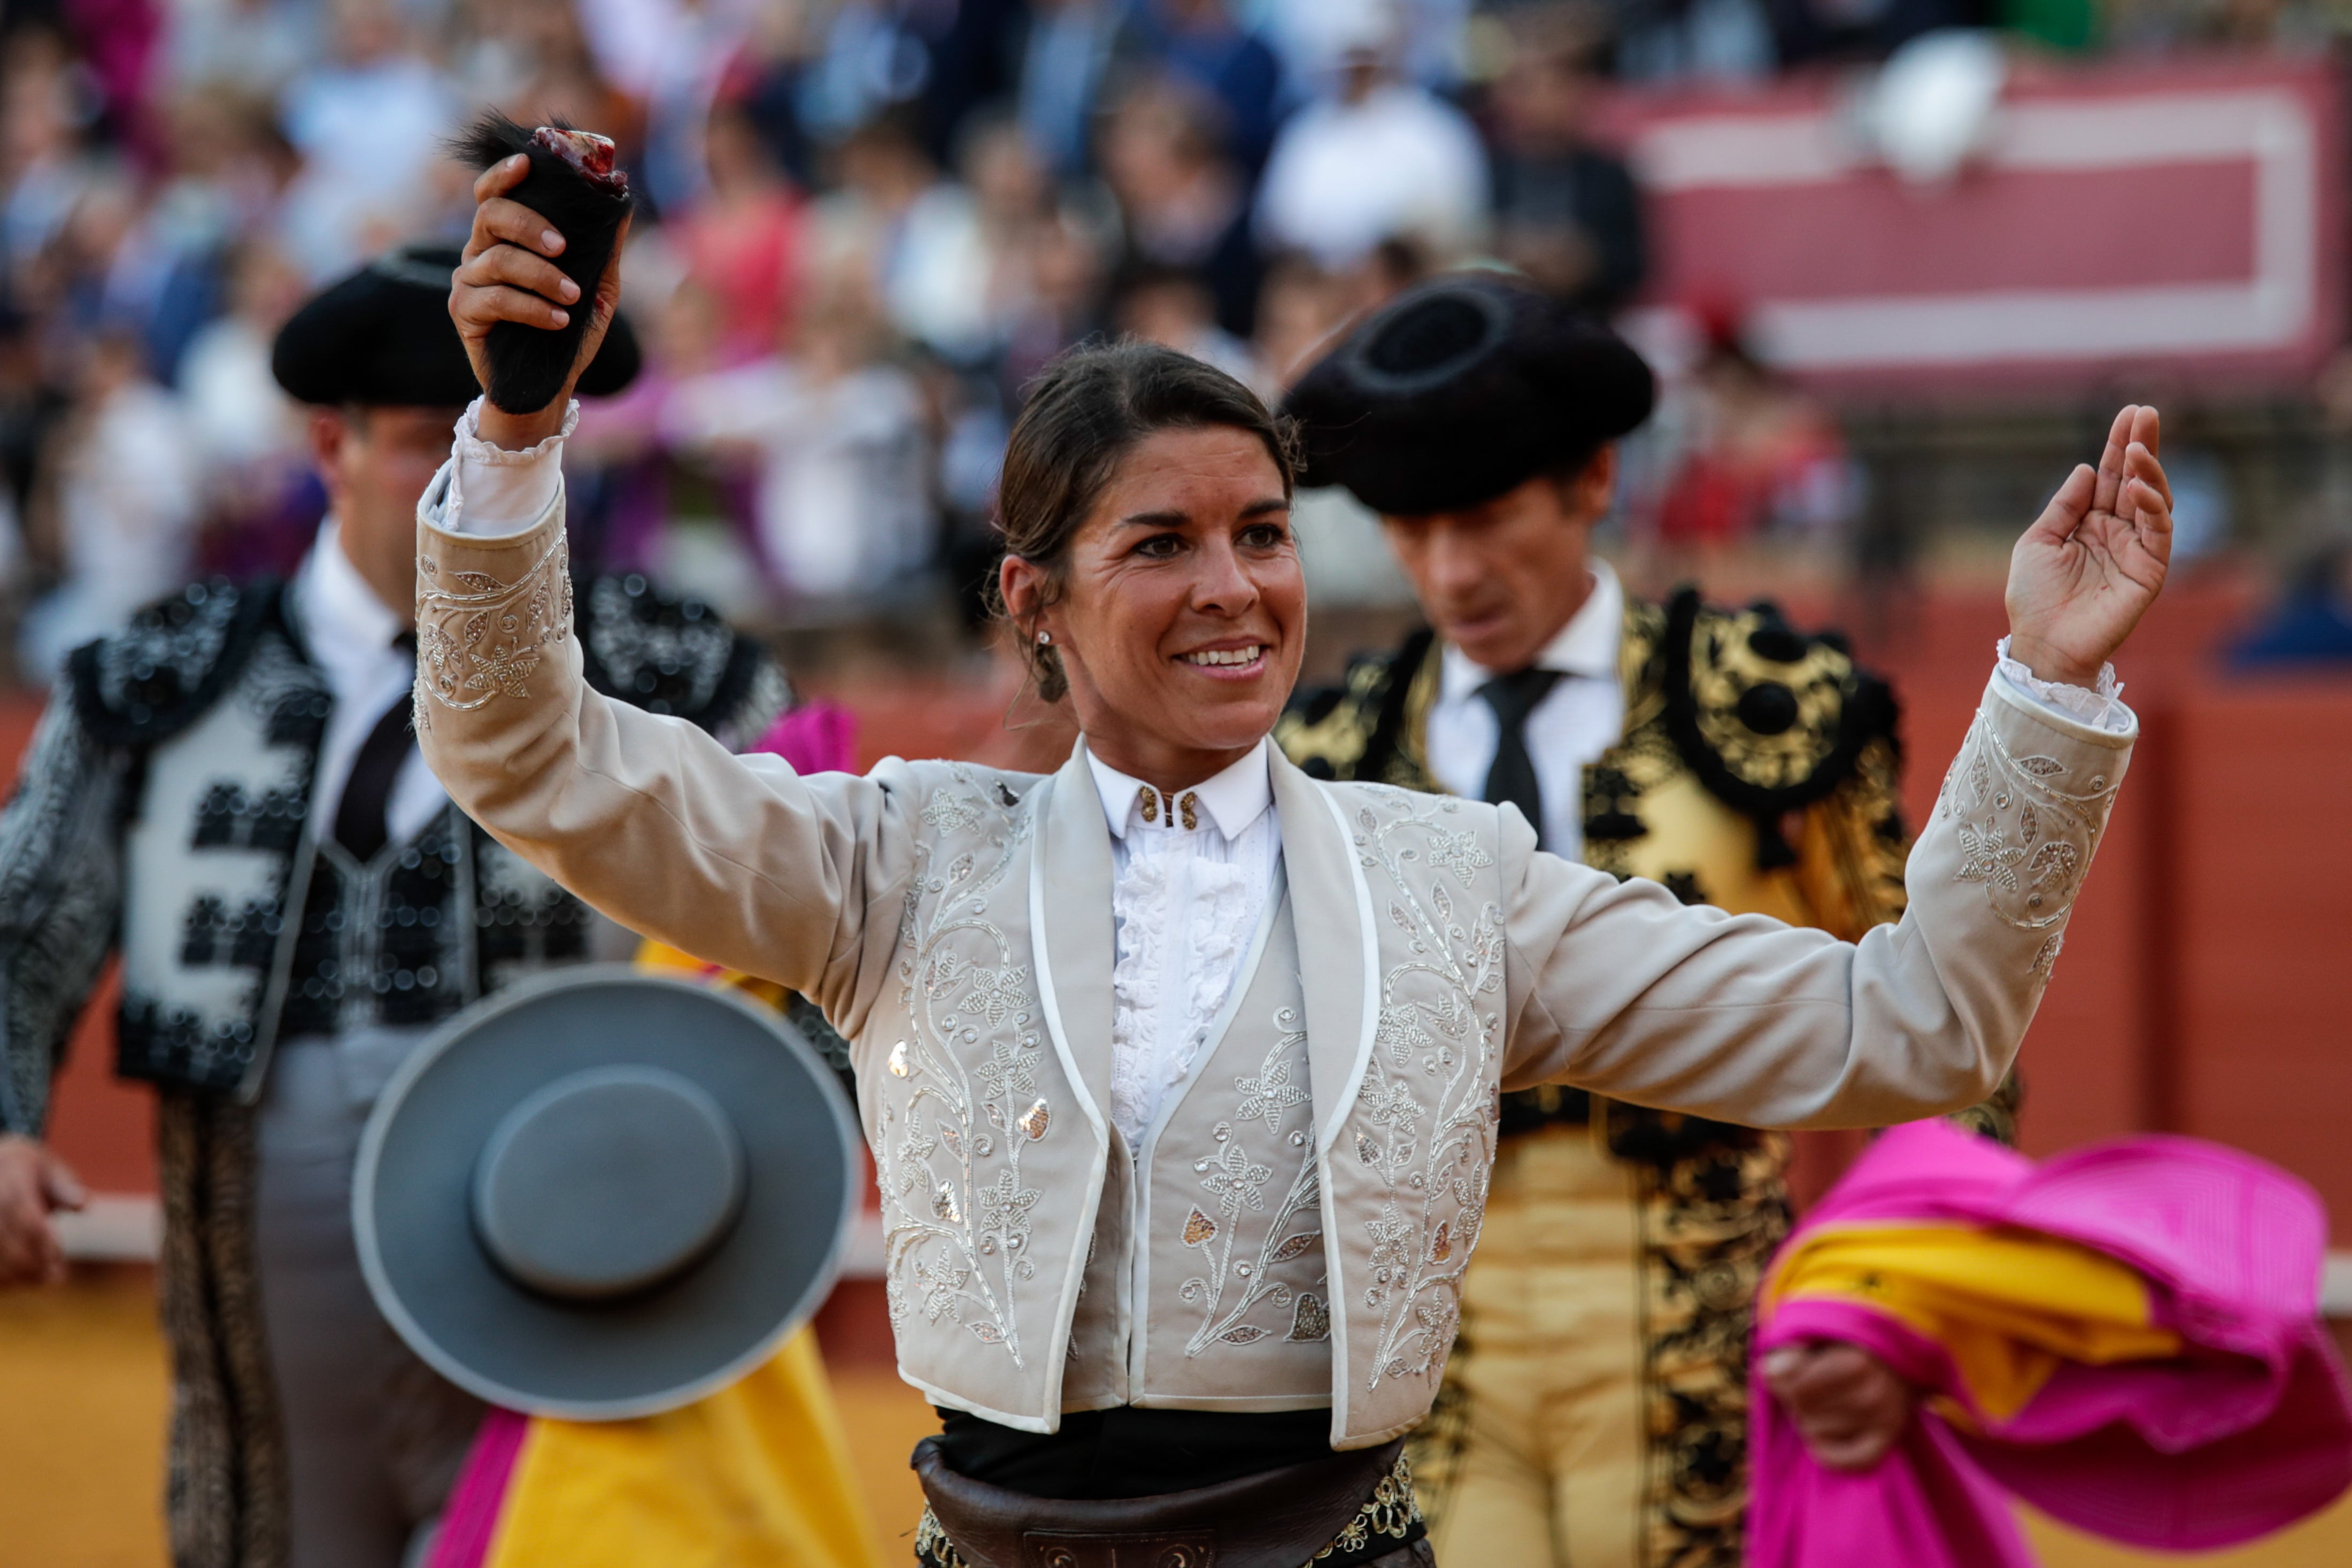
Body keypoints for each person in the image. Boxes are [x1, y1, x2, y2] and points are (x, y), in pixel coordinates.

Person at [422, 152, 2172, 1565]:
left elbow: (1912, 1026)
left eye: (1261, 533)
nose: (1236, 588)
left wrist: (2048, 680)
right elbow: (528, 751)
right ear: (1035, 600)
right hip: (994, 1530)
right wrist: (516, 438)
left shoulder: (1450, 878)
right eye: (1161, 541)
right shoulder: (893, 859)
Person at [0, 244, 796, 1568]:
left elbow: (808, 919)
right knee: (277, 1528)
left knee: (562, 1542)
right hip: (259, 1209)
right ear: (331, 443)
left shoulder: (679, 669)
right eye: (437, 440)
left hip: (573, 1191)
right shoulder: (157, 676)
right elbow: (23, 918)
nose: (474, 484)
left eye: (524, 439)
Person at [1275, 274, 2017, 1567]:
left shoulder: (1776, 710)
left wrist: (1892, 1315)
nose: (1450, 570)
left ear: (1592, 480)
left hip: (1717, 1357)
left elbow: (1954, 1038)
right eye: (1410, 528)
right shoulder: (1324, 761)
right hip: (1438, 1375)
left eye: (1489, 516)